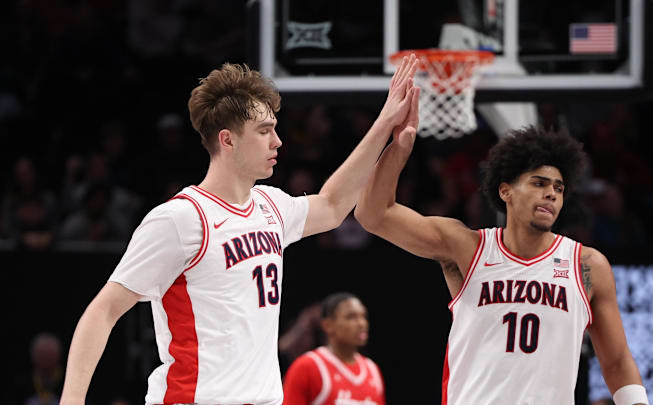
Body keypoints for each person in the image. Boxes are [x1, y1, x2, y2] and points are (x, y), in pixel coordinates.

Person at [59, 55, 420, 405]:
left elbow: (332, 205)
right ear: (228, 140)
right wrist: (73, 399)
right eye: (264, 131)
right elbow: (103, 310)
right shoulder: (180, 219)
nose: (277, 141)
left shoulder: (271, 205)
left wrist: (385, 124)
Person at [354, 125, 649, 405]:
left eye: (559, 188)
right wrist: (398, 150)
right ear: (505, 191)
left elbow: (617, 361)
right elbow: (373, 214)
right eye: (539, 183)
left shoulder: (587, 264)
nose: (552, 194)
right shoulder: (468, 247)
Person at [283, 293, 384, 405]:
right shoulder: (307, 366)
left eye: (363, 316)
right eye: (351, 317)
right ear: (328, 325)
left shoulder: (373, 370)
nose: (361, 323)